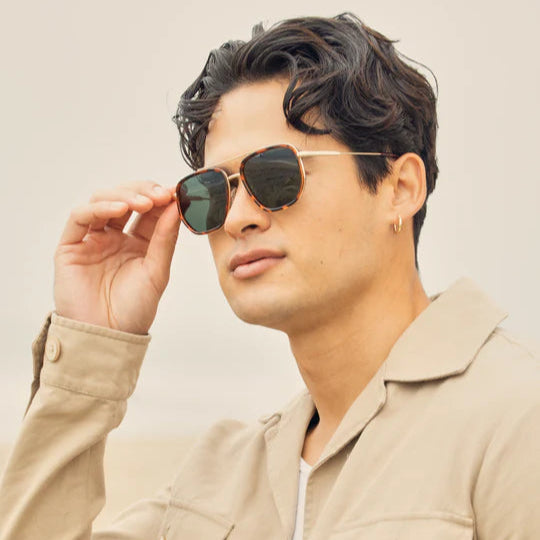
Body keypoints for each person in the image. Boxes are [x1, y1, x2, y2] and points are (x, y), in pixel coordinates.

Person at [0, 12, 539, 540]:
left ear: (399, 188)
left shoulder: (516, 420)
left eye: (275, 174)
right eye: (212, 192)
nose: (238, 218)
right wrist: (92, 342)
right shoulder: (215, 484)